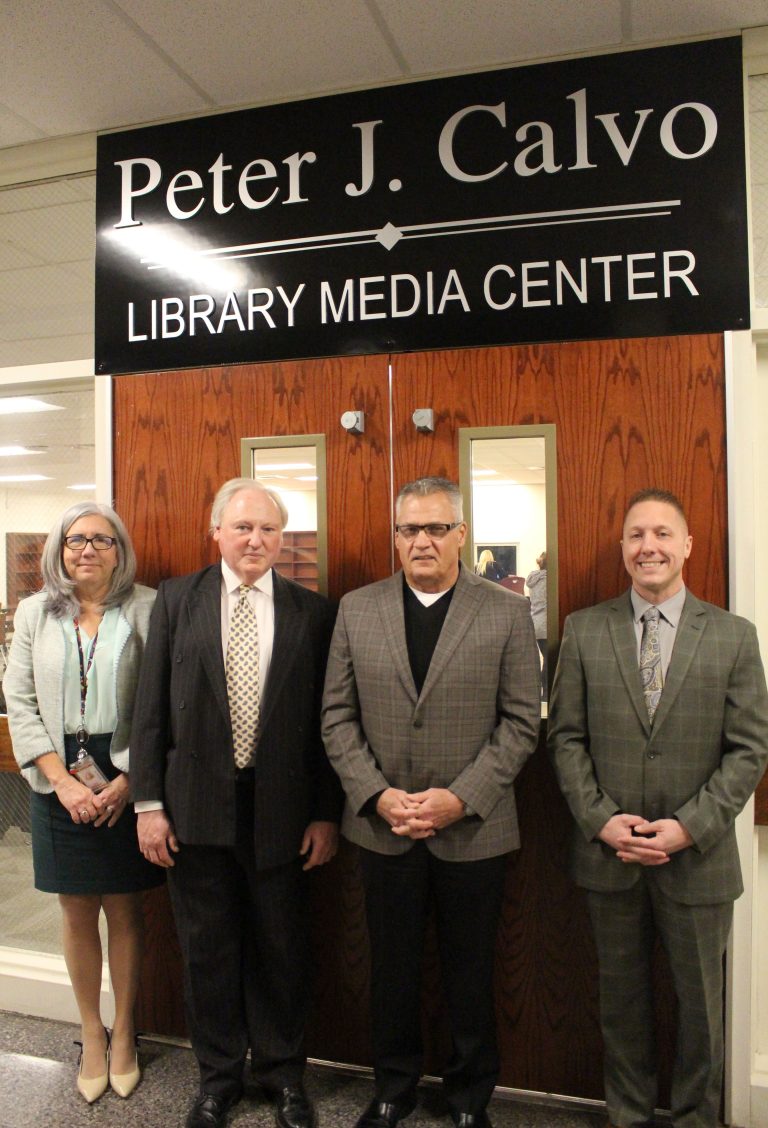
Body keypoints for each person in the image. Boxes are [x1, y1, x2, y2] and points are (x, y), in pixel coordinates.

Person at [322, 477, 540, 1128]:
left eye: (436, 528)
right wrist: (377, 795)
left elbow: (522, 722)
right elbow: (336, 718)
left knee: (471, 973)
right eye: (409, 529)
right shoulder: (357, 609)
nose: (421, 541)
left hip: (473, 830)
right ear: (395, 537)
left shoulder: (504, 610)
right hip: (383, 828)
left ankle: (471, 1098)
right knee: (390, 969)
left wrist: (461, 798)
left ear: (461, 537)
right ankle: (393, 1088)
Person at [548, 488, 768, 1128]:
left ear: (687, 546)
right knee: (621, 1001)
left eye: (663, 534)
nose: (649, 546)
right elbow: (565, 738)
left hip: (697, 859)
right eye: (637, 535)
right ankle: (629, 1114)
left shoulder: (732, 635)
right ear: (622, 549)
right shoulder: (584, 629)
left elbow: (749, 750)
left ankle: (699, 1117)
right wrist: (599, 818)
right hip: (608, 854)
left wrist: (688, 828)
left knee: (701, 1007)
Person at [131, 478, 341, 1128]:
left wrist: (326, 812)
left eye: (268, 529)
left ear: (283, 538)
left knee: (282, 949)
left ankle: (282, 1077)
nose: (255, 540)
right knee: (208, 950)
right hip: (193, 812)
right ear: (215, 529)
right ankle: (217, 1079)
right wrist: (147, 805)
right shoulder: (175, 601)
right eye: (242, 526)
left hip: (283, 812)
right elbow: (149, 712)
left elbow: (326, 726)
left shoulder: (314, 613)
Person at [2, 501, 161, 1104]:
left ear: (119, 550)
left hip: (126, 765)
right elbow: (20, 701)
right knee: (75, 908)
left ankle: (125, 1038)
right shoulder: (36, 611)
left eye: (101, 539)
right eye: (75, 539)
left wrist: (129, 779)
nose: (87, 549)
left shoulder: (148, 607)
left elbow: (163, 702)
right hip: (55, 773)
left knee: (123, 908)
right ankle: (91, 1036)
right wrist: (64, 783)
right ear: (59, 549)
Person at [525, 552, 547, 699]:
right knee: (549, 660)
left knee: (545, 658)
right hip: (546, 624)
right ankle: (545, 695)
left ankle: (541, 695)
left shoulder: (534, 579)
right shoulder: (548, 579)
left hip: (535, 623)